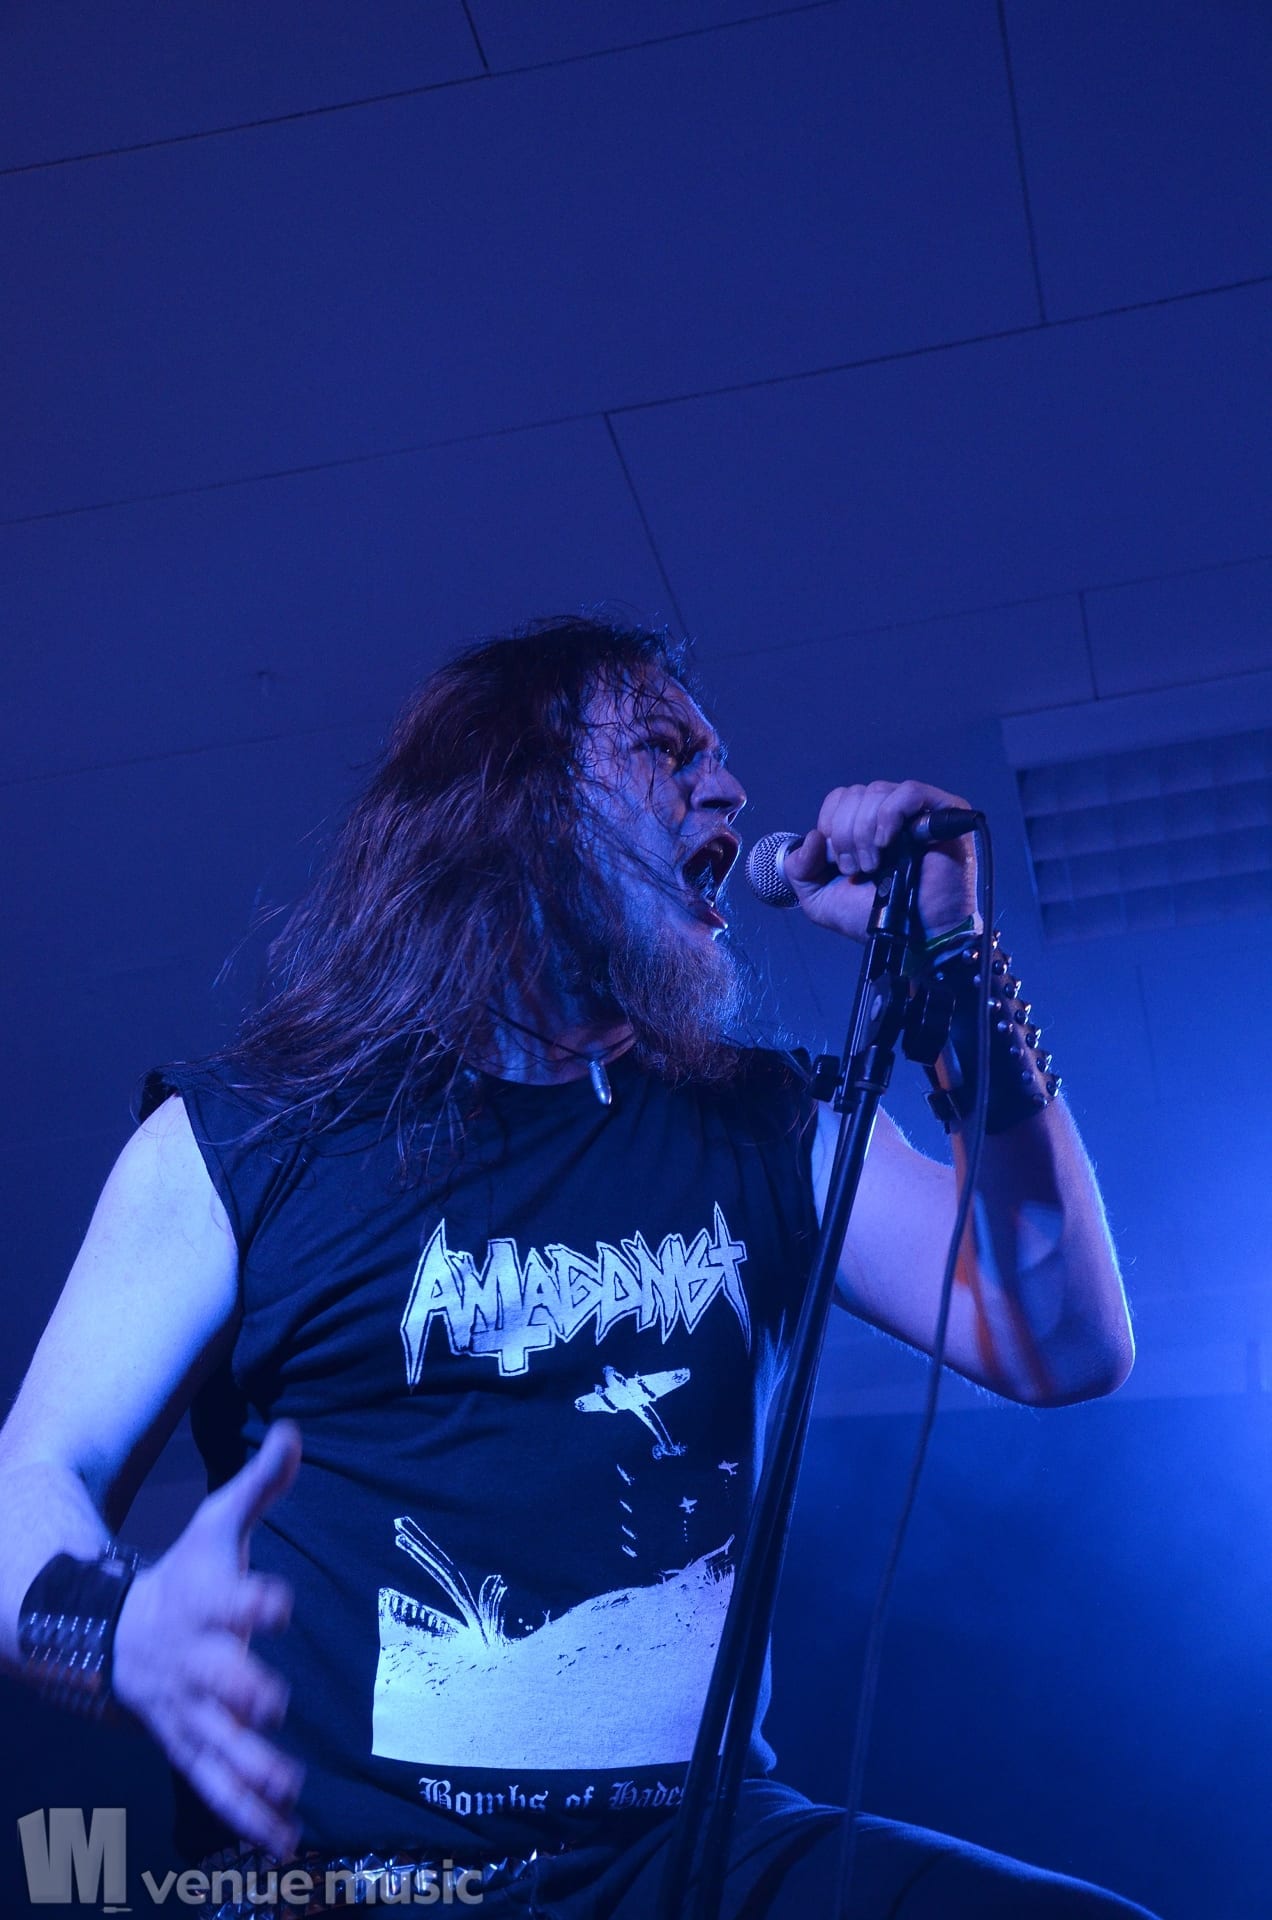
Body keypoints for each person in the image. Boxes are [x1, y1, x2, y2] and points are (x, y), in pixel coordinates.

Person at [0, 616, 1156, 1918]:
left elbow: (1065, 1335)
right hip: (348, 1875)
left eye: (720, 759)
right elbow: (31, 1475)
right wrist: (115, 1632)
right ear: (517, 805)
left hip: (705, 1855)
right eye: (668, 751)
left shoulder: (771, 1124)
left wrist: (954, 955)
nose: (729, 789)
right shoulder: (247, 1138)